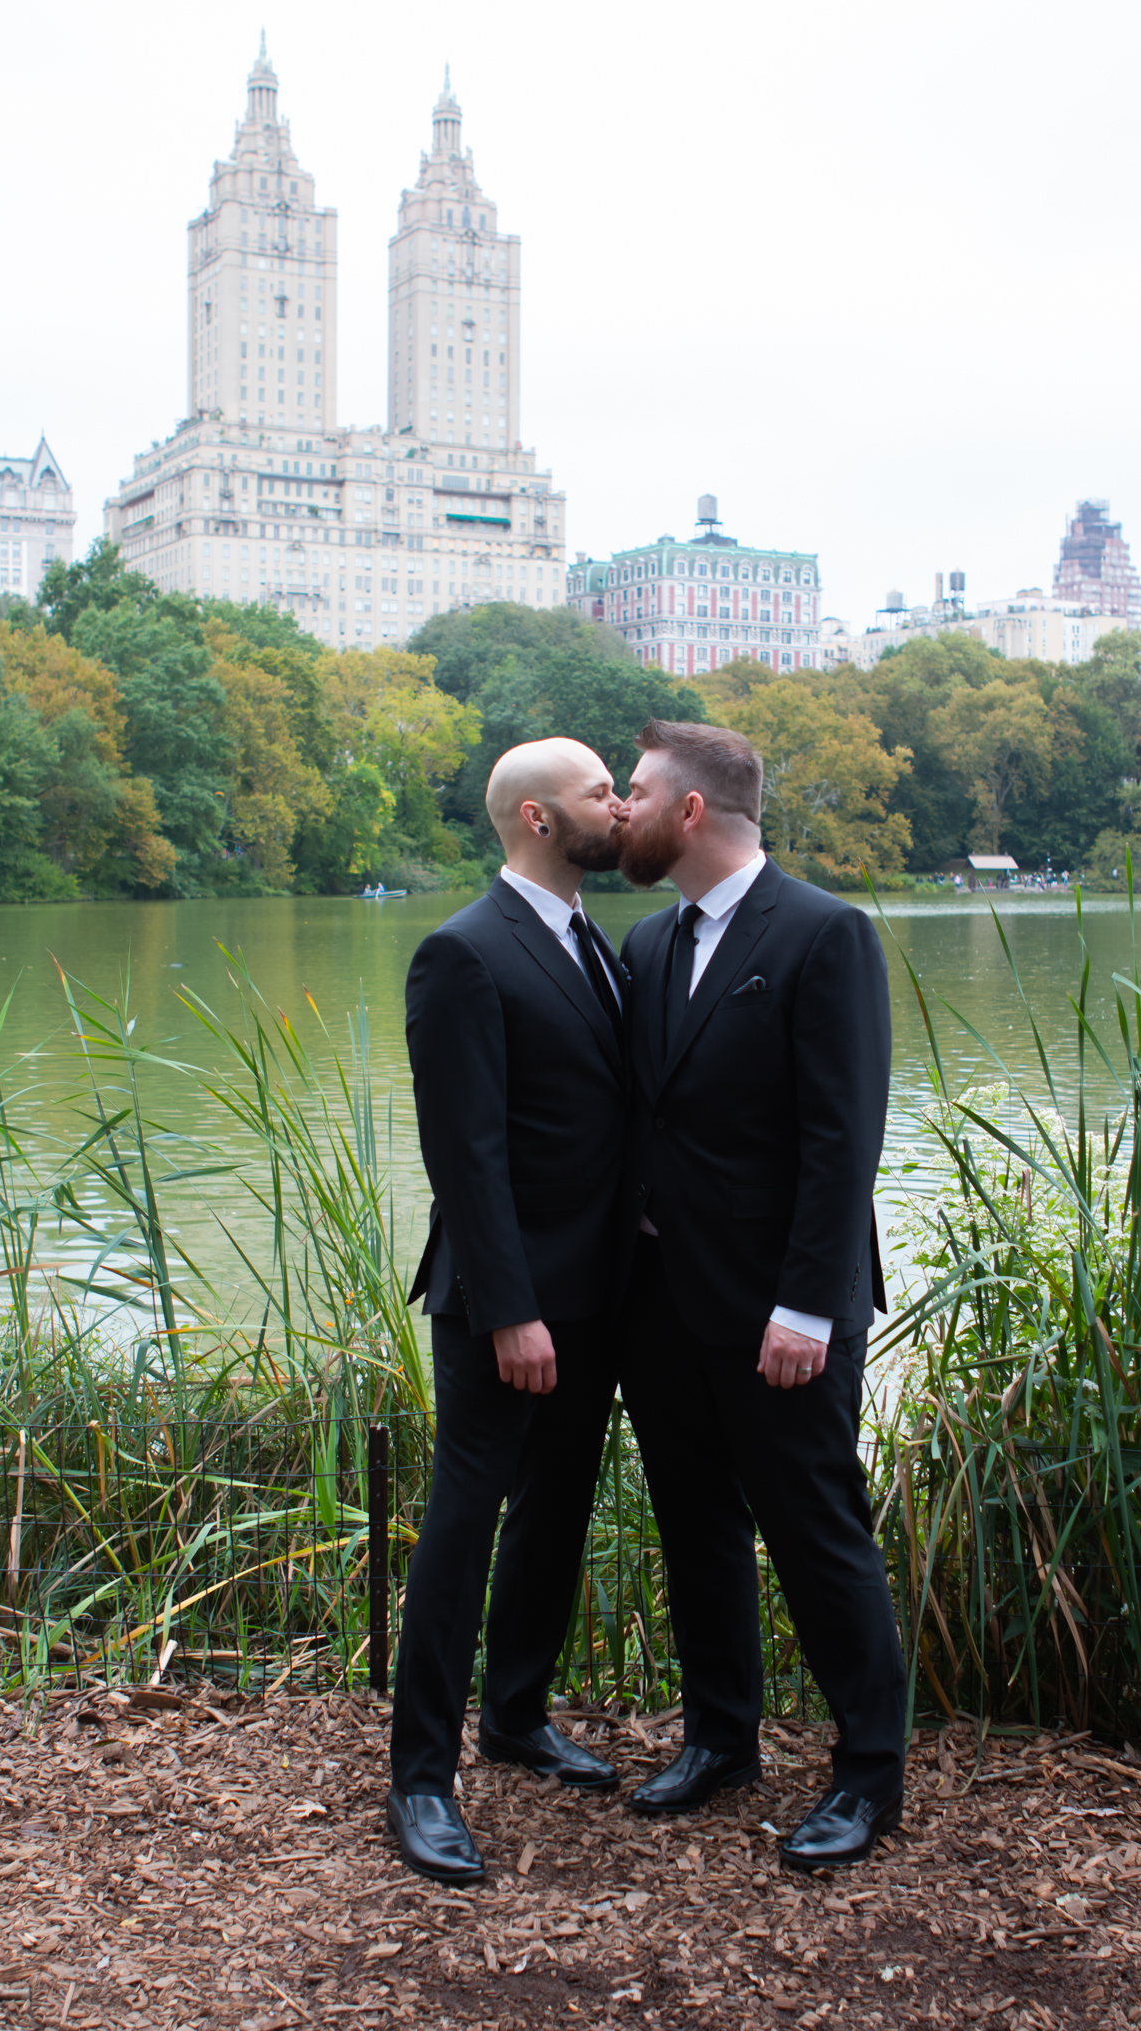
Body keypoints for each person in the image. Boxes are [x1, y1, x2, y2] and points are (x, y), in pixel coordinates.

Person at [612, 717, 906, 1872]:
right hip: (662, 1303)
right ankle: (721, 1737)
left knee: (819, 1531)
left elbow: (846, 1140)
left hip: (784, 1310)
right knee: (696, 1527)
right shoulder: (644, 942)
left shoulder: (826, 933)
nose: (619, 809)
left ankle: (869, 1773)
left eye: (635, 791)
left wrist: (808, 1305)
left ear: (692, 810)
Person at [388, 737, 634, 1883]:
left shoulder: (601, 944)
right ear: (538, 817)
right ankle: (421, 1779)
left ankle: (518, 1716)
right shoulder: (463, 953)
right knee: (464, 1519)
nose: (619, 806)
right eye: (600, 792)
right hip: (507, 1302)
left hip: (599, 1296)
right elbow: (465, 1155)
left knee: (557, 1510)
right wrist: (510, 1308)